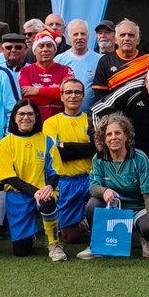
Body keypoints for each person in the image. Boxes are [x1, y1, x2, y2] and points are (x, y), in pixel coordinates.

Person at [86, 114, 149, 259]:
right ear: (103, 139)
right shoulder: (98, 159)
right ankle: (98, 241)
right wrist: (105, 191)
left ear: (126, 135)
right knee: (92, 204)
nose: (113, 137)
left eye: (118, 133)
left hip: (138, 208)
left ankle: (146, 239)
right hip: (115, 209)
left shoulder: (140, 158)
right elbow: (93, 186)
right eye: (109, 134)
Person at [0, 99, 66, 260]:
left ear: (36, 117)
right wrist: (35, 192)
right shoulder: (6, 143)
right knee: (21, 251)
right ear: (14, 117)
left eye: (30, 114)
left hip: (43, 192)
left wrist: (49, 186)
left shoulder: (46, 140)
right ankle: (30, 235)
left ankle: (54, 243)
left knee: (47, 201)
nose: (25, 117)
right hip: (18, 195)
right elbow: (8, 176)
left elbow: (56, 170)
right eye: (21, 114)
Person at [45, 78, 97, 248]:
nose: (73, 96)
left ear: (83, 96)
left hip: (91, 177)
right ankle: (79, 223)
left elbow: (100, 149)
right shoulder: (51, 123)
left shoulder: (92, 120)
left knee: (102, 214)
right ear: (61, 96)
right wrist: (88, 148)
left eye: (77, 92)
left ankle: (87, 220)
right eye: (68, 92)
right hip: (66, 180)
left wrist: (66, 146)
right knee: (70, 237)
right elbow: (58, 154)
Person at [89, 20, 149, 111]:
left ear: (138, 40)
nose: (126, 38)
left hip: (141, 112)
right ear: (115, 39)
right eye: (122, 35)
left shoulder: (148, 60)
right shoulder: (105, 61)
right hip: (114, 115)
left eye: (131, 35)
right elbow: (99, 95)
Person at [19, 31, 72, 120]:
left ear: (55, 50)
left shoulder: (66, 70)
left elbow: (68, 93)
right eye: (41, 46)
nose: (45, 49)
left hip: (60, 122)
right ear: (34, 51)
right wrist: (57, 94)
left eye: (49, 45)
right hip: (34, 123)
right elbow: (27, 97)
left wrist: (38, 91)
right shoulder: (25, 71)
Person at [61, 19, 98, 85]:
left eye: (83, 34)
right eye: (75, 34)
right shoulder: (59, 60)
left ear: (88, 36)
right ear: (69, 38)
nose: (80, 37)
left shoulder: (100, 60)